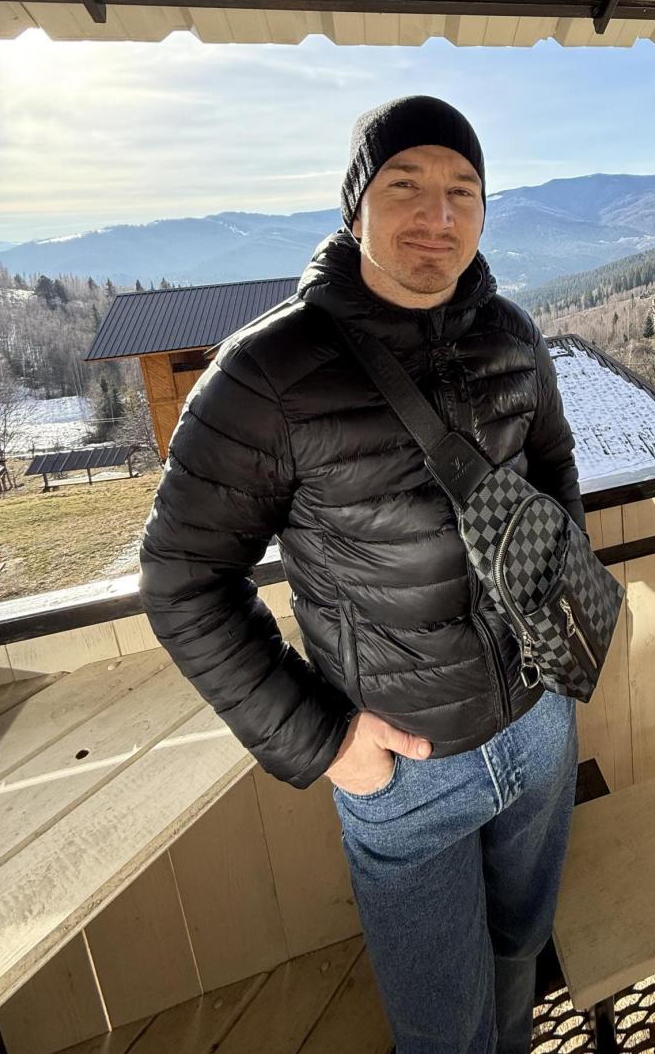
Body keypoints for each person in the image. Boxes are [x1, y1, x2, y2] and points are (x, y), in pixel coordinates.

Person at [139, 94, 586, 1054]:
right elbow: (182, 581)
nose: (438, 215)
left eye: (463, 190)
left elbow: (554, 470)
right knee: (442, 1027)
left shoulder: (512, 335)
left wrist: (559, 626)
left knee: (523, 952)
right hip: (406, 770)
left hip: (541, 724)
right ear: (355, 207)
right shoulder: (265, 375)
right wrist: (329, 740)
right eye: (406, 186)